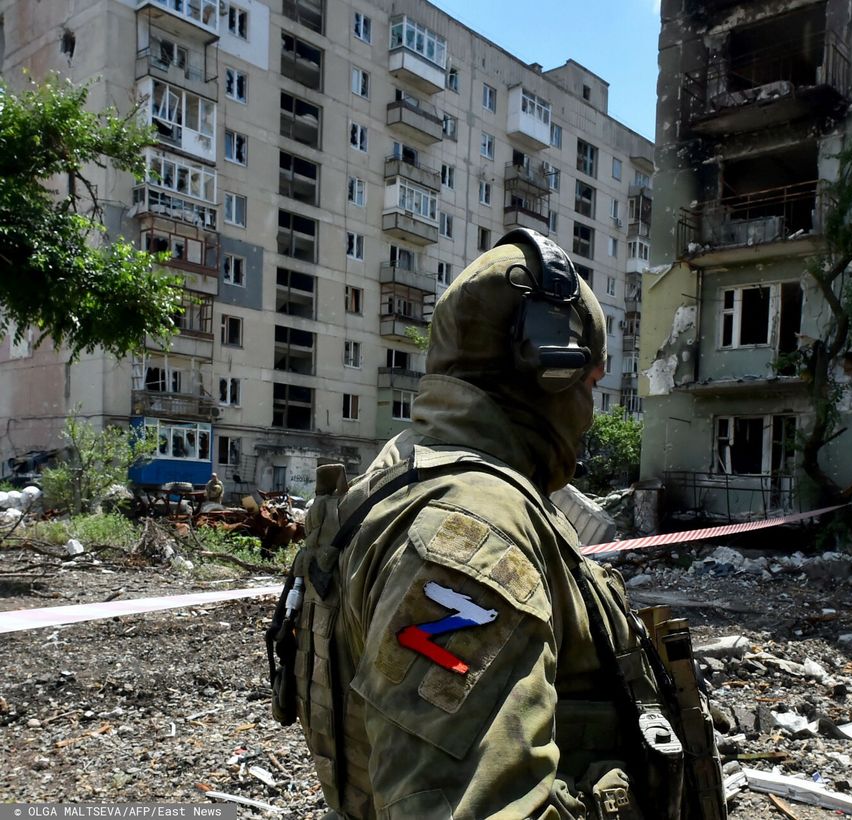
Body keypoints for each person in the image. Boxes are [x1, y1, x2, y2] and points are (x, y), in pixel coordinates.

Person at [270, 230, 721, 819]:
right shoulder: (470, 534)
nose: (591, 412)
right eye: (588, 383)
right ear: (549, 372)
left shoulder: (406, 478)